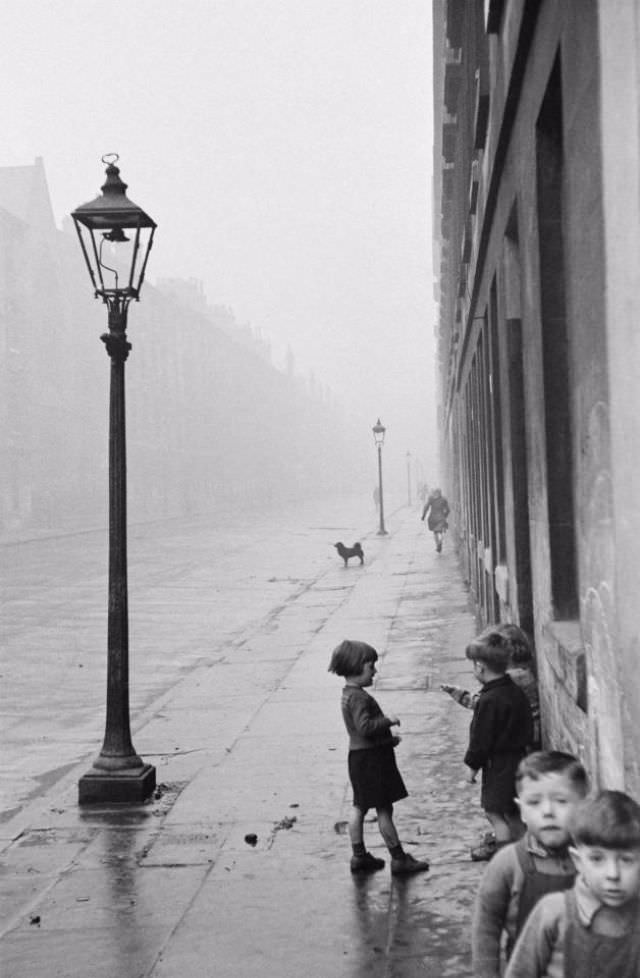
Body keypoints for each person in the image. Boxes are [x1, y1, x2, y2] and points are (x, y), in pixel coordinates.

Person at [472, 751, 589, 978]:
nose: (547, 812)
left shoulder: (592, 860)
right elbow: (486, 926)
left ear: (583, 805)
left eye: (561, 801)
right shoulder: (507, 864)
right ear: (522, 810)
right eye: (534, 802)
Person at [505, 790, 640, 977]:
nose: (613, 874)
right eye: (597, 859)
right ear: (578, 861)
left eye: (626, 860)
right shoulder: (554, 912)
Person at [328, 639, 430, 876]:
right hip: (373, 761)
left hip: (358, 758)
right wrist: (389, 721)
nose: (374, 671)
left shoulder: (348, 694)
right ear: (356, 667)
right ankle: (398, 858)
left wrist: (388, 740)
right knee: (384, 810)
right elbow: (365, 727)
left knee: (359, 806)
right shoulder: (360, 698)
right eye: (370, 666)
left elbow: (359, 732)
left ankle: (359, 855)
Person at [463, 630, 533, 861]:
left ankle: (506, 861)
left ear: (481, 667)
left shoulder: (489, 700)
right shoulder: (515, 692)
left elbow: (481, 738)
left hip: (499, 766)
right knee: (513, 813)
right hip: (519, 760)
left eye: (474, 665)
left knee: (495, 813)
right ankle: (528, 856)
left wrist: (472, 766)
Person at [442, 623, 541, 768]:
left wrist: (461, 695)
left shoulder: (513, 678)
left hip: (520, 737)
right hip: (523, 732)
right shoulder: (520, 673)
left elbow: (485, 704)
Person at [421, 487, 450, 552]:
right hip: (441, 518)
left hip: (433, 518)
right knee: (441, 532)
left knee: (435, 532)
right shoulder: (443, 499)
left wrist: (423, 516)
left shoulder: (431, 499)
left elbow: (426, 507)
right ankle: (440, 542)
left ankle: (438, 545)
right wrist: (445, 516)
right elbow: (448, 510)